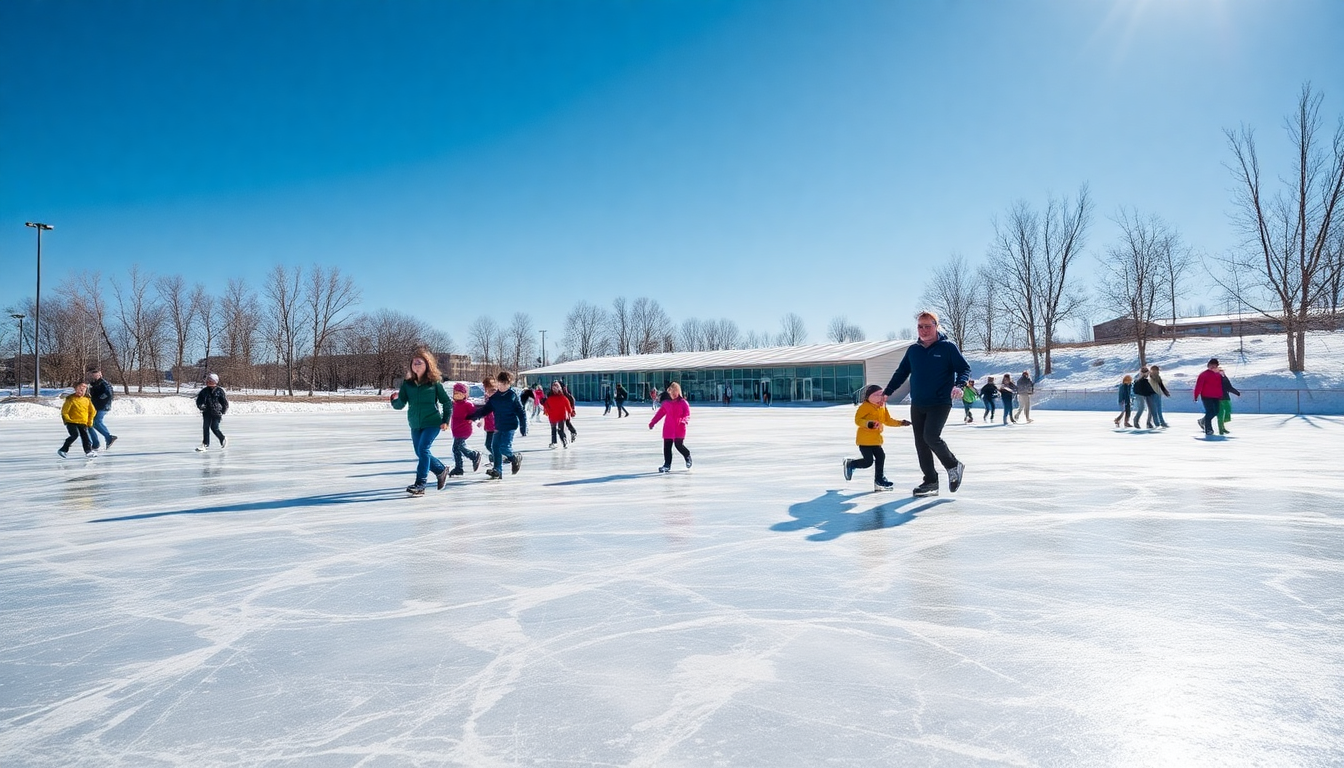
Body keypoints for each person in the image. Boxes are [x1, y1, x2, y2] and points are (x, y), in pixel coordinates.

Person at [882, 310, 970, 497]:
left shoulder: (947, 347)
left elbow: (964, 368)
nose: (923, 330)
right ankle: (930, 481)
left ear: (936, 326)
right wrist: (887, 392)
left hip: (939, 402)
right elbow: (901, 373)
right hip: (918, 403)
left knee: (931, 436)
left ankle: (953, 465)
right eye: (920, 327)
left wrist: (959, 385)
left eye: (928, 326)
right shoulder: (913, 350)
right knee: (921, 443)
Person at [389, 350, 452, 495]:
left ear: (427, 365)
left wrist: (445, 420)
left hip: (432, 422)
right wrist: (393, 400)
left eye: (419, 362)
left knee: (423, 449)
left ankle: (420, 484)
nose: (416, 364)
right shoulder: (407, 385)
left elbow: (446, 402)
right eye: (414, 362)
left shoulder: (434, 383)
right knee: (420, 452)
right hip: (415, 424)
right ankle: (441, 469)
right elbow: (401, 404)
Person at [842, 384, 910, 491]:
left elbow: (887, 420)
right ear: (870, 396)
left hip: (876, 440)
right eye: (877, 394)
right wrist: (869, 424)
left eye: (881, 394)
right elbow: (858, 420)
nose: (880, 396)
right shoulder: (865, 406)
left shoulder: (882, 406)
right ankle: (851, 464)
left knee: (881, 457)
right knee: (868, 462)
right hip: (865, 440)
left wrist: (901, 423)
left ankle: (879, 480)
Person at [470, 371, 527, 479]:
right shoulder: (495, 397)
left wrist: (523, 426)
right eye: (501, 384)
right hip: (499, 425)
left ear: (509, 384)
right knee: (494, 446)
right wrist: (474, 416)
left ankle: (515, 458)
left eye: (506, 384)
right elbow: (485, 409)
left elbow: (520, 411)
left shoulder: (512, 395)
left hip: (510, 426)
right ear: (498, 383)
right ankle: (497, 470)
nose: (503, 386)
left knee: (504, 447)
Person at [649, 381, 692, 473]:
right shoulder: (666, 403)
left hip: (679, 427)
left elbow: (687, 414)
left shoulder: (683, 403)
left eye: (674, 392)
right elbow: (660, 414)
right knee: (667, 447)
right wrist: (653, 422)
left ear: (678, 392)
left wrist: (684, 421)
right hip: (668, 428)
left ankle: (687, 456)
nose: (672, 394)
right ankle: (667, 465)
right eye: (671, 393)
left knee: (678, 445)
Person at [448, 382, 483, 477]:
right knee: (456, 449)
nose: (457, 395)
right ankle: (459, 468)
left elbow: (475, 413)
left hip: (464, 429)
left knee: (458, 446)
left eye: (459, 393)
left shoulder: (468, 404)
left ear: (464, 395)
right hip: (456, 429)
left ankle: (474, 455)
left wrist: (474, 419)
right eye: (455, 393)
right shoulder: (454, 404)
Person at [58, 382, 98, 459]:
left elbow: (92, 411)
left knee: (85, 437)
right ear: (75, 390)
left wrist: (89, 421)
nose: (81, 392)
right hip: (71, 422)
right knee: (74, 435)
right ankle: (63, 450)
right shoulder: (71, 399)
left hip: (83, 422)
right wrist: (67, 419)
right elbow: (64, 411)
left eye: (83, 390)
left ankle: (88, 451)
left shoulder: (87, 400)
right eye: (79, 390)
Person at [195, 373, 229, 451]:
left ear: (214, 381)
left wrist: (223, 410)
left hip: (216, 412)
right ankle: (205, 444)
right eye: (207, 380)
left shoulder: (219, 391)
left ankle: (222, 438)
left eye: (210, 380)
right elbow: (199, 401)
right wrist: (201, 406)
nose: (207, 382)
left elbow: (224, 402)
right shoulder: (204, 391)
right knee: (205, 427)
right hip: (206, 412)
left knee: (214, 427)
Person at [1193, 358, 1224, 436]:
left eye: (1215, 365)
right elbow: (1199, 386)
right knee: (1210, 412)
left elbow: (1220, 386)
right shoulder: (1204, 374)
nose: (1213, 367)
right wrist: (1196, 395)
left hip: (1216, 396)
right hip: (1206, 396)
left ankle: (1202, 421)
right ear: (1208, 365)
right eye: (1211, 365)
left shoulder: (1219, 374)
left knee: (1216, 411)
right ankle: (1208, 429)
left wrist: (1221, 395)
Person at [88, 368, 118, 451]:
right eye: (92, 374)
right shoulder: (93, 384)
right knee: (90, 424)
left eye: (96, 374)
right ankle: (96, 443)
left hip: (103, 406)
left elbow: (108, 393)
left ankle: (108, 438)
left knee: (96, 421)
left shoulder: (104, 383)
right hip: (96, 406)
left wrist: (99, 399)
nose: (94, 376)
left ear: (100, 374)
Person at [543, 381, 575, 449]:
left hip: (553, 417)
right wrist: (570, 412)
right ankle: (564, 441)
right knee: (560, 430)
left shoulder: (549, 399)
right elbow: (568, 406)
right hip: (561, 416)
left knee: (553, 430)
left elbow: (546, 406)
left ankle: (554, 442)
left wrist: (547, 412)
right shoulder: (563, 398)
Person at [1217, 366, 1242, 435]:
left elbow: (1229, 387)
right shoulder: (1215, 379)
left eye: (1222, 370)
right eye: (1220, 371)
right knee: (1220, 414)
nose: (1221, 372)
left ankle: (1223, 426)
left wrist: (1237, 392)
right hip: (1218, 399)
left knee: (1228, 411)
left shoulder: (1225, 378)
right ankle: (1221, 430)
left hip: (1226, 397)